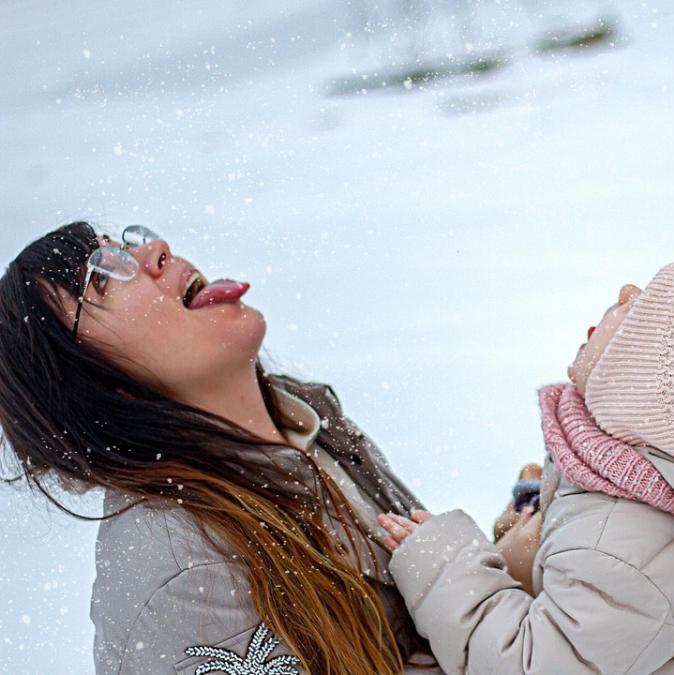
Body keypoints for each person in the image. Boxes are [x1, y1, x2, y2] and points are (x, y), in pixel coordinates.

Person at [0, 221, 528, 674]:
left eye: (127, 241)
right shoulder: (180, 570)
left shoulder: (306, 418)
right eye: (103, 272)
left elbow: (404, 636)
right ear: (95, 388)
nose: (156, 249)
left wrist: (502, 564)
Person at [380, 260, 674, 674]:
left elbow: (527, 663)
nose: (626, 291)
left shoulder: (625, 560)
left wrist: (445, 568)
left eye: (639, 311)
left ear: (638, 397)